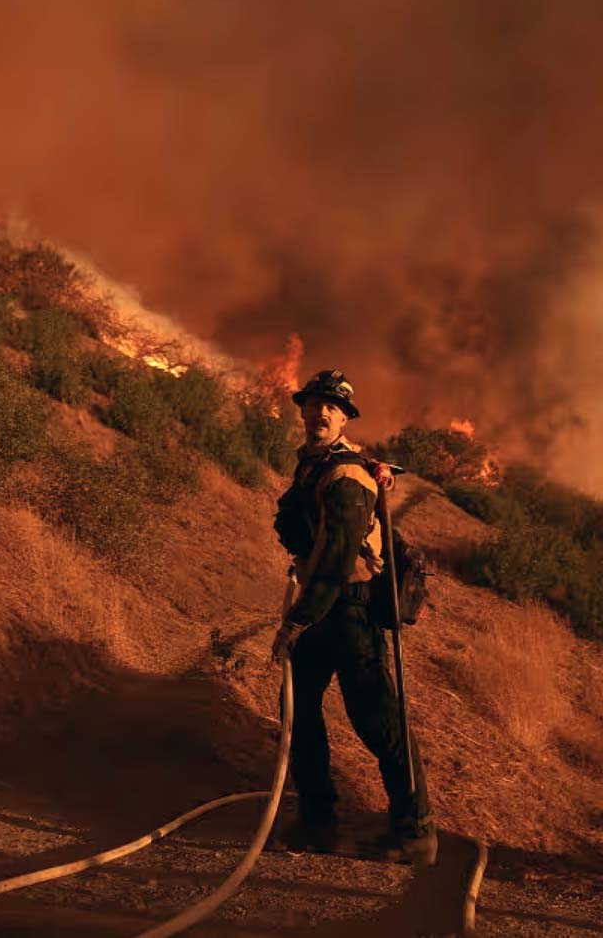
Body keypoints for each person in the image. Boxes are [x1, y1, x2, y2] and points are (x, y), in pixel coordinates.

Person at [270, 369, 436, 866]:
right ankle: (318, 821)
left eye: (332, 407)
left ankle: (415, 831)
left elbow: (339, 558)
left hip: (348, 611)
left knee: (377, 720)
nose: (321, 412)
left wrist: (297, 621)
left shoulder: (345, 475)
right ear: (303, 410)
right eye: (314, 403)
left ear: (344, 419)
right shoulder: (316, 463)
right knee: (298, 708)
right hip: (325, 607)